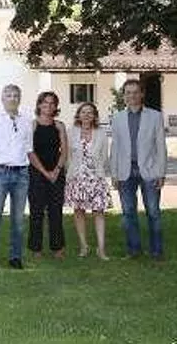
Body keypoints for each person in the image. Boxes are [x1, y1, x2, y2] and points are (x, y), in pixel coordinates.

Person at [110, 79, 167, 261]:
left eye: (135, 92)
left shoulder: (155, 116)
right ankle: (133, 250)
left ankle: (156, 251)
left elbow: (161, 147)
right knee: (128, 212)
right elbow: (115, 148)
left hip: (149, 171)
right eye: (128, 92)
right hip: (125, 171)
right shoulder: (117, 118)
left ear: (142, 94)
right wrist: (114, 174)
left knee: (153, 212)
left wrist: (161, 173)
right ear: (124, 96)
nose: (132, 96)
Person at [0, 84, 36, 270]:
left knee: (18, 220)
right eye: (9, 95)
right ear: (2, 99)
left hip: (21, 174)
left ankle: (15, 257)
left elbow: (28, 148)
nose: (12, 98)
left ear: (19, 99)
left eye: (15, 96)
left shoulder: (27, 121)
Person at [65, 102, 112, 260]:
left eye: (90, 112)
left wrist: (96, 171)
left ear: (94, 116)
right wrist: (71, 172)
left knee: (99, 212)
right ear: (78, 115)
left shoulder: (101, 133)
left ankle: (101, 248)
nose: (86, 115)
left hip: (96, 178)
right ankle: (84, 246)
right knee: (79, 211)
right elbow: (68, 156)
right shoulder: (71, 132)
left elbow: (104, 156)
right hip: (77, 178)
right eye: (83, 112)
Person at [27, 91, 69, 259]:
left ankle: (57, 248)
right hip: (37, 172)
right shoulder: (32, 125)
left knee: (55, 211)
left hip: (57, 172)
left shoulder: (59, 126)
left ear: (56, 107)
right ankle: (36, 248)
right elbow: (30, 152)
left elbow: (64, 151)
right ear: (39, 105)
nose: (48, 106)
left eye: (52, 103)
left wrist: (56, 170)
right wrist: (45, 172)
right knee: (36, 211)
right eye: (45, 102)